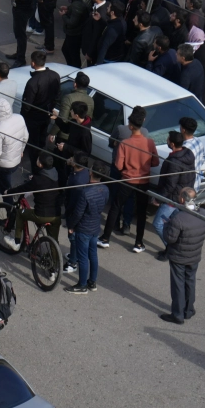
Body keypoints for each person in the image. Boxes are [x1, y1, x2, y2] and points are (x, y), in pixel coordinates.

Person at [106, 114, 157, 252]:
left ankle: (105, 238)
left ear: (130, 126)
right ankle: (138, 243)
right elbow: (155, 162)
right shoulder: (150, 142)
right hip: (144, 180)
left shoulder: (125, 143)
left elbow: (118, 165)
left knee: (115, 206)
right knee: (141, 212)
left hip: (127, 179)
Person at [160, 187, 205, 323]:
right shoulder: (204, 214)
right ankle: (189, 310)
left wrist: (166, 226)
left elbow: (170, 238)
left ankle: (178, 314)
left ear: (182, 199)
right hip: (195, 255)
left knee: (178, 285)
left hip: (179, 256)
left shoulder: (178, 218)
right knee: (190, 282)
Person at [64, 152, 108, 294]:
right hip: (95, 226)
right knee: (93, 255)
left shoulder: (86, 192)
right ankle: (92, 282)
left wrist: (71, 226)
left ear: (91, 172)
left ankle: (82, 285)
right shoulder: (105, 189)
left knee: (83, 258)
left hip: (83, 228)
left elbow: (78, 213)